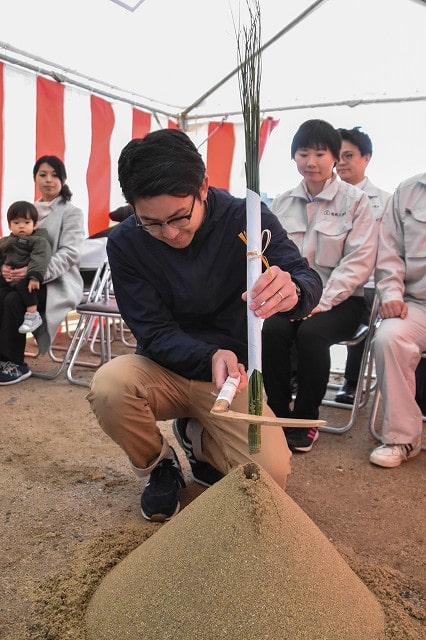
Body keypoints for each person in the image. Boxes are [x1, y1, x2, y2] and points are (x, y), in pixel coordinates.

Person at [86, 128, 323, 522]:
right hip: (165, 366)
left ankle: (195, 436)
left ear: (204, 187)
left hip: (234, 377)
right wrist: (208, 353)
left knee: (269, 477)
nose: (171, 233)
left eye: (180, 216)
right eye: (152, 223)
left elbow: (305, 277)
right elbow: (153, 331)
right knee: (110, 386)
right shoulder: (126, 242)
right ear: (133, 207)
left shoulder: (245, 217)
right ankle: (159, 465)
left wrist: (293, 290)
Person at [262, 119, 377, 453]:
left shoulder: (356, 202)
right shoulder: (281, 203)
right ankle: (279, 415)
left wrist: (318, 303)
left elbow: (359, 262)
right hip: (291, 297)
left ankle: (306, 419)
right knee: (272, 332)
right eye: (302, 153)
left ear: (334, 158)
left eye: (319, 154)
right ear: (293, 156)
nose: (310, 162)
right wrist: (290, 297)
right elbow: (269, 257)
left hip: (342, 301)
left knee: (312, 335)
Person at [0, 156, 85, 384]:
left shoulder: (71, 212)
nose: (49, 180)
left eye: (55, 175)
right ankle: (3, 359)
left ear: (63, 179)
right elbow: (10, 244)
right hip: (22, 279)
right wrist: (6, 269)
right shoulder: (29, 210)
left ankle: (15, 363)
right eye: (43, 174)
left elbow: (69, 254)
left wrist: (32, 272)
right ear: (35, 178)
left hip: (58, 281)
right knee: (4, 294)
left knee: (13, 301)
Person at [369, 172, 426, 468]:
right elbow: (389, 253)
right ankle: (401, 437)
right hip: (416, 304)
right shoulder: (407, 191)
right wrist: (391, 293)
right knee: (389, 337)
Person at [334, 127, 390, 404]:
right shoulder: (322, 198)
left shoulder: (385, 201)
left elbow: (390, 250)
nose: (341, 162)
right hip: (328, 280)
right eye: (338, 156)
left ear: (366, 158)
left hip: (368, 283)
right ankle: (295, 373)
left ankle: (352, 381)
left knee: (365, 304)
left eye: (349, 155)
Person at [0, 201, 52, 335]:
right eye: (16, 223)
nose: (21, 226)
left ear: (35, 225)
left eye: (26, 222)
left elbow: (40, 258)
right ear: (9, 225)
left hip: (28, 277)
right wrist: (2, 268)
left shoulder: (38, 241)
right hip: (9, 278)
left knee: (25, 286)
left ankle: (32, 314)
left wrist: (34, 276)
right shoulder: (5, 241)